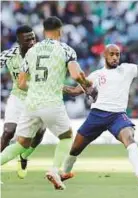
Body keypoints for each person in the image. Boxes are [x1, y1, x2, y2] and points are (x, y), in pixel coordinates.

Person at [61, 30, 138, 186]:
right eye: (112, 54)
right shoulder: (96, 75)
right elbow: (74, 91)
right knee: (75, 149)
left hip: (117, 116)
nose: (115, 57)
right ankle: (64, 173)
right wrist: (58, 85)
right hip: (97, 115)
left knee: (130, 138)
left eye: (117, 54)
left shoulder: (127, 69)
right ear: (104, 56)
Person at [0, 16, 91, 190]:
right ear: (61, 31)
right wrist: (88, 86)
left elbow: (20, 83)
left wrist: (37, 86)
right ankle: (54, 170)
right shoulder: (66, 49)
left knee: (21, 143)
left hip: (31, 103)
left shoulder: (33, 51)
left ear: (42, 32)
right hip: (51, 102)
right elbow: (76, 75)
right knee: (66, 137)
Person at [0, 25, 46, 179]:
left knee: (40, 133)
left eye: (33, 38)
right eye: (28, 39)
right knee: (8, 132)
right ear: (19, 41)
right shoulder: (8, 56)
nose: (32, 42)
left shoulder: (42, 55)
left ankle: (24, 157)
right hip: (18, 97)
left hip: (37, 98)